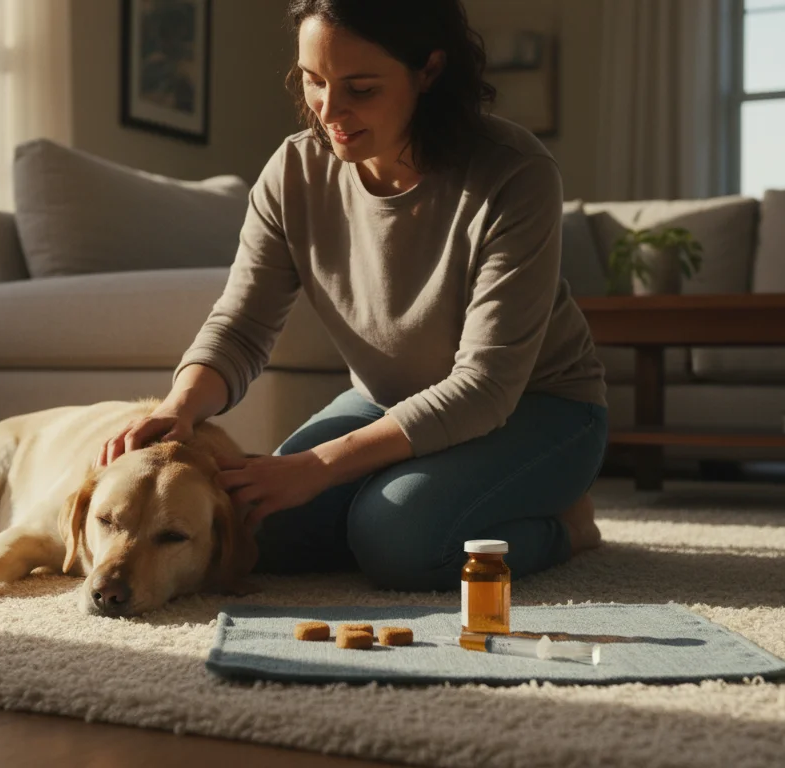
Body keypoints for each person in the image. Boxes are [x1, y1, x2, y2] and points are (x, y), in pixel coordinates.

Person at [96, 0, 608, 593]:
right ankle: (421, 496)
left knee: (397, 541)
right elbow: (240, 325)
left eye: (360, 89)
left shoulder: (514, 174)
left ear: (429, 72)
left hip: (539, 409)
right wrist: (178, 406)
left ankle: (567, 527)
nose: (329, 111)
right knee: (258, 530)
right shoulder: (294, 170)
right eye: (313, 81)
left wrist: (317, 467)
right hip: (387, 402)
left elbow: (486, 387)